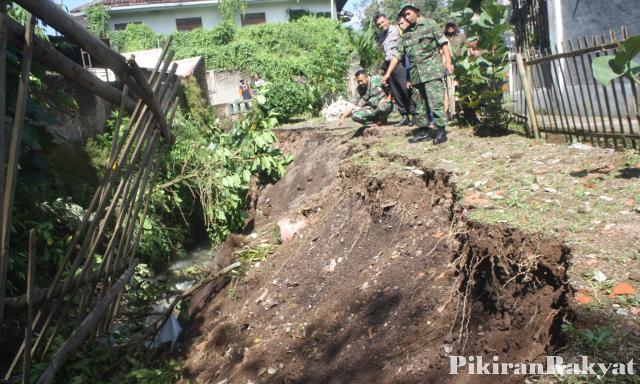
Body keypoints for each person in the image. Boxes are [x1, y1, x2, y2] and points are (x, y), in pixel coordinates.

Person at [382, 3, 453, 145]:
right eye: (404, 15)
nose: (407, 17)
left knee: (436, 101)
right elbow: (397, 55)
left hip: (432, 71)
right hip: (415, 75)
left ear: (417, 12)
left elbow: (443, 43)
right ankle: (423, 130)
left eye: (408, 13)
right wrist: (387, 73)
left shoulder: (430, 24)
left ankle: (441, 130)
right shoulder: (406, 34)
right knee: (418, 104)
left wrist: (448, 62)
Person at [375, 13, 415, 127]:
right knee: (396, 92)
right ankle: (404, 116)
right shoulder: (382, 36)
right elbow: (386, 53)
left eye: (383, 22)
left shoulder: (397, 29)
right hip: (389, 66)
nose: (382, 25)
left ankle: (414, 115)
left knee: (406, 89)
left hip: (400, 63)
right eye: (379, 24)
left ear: (387, 20)